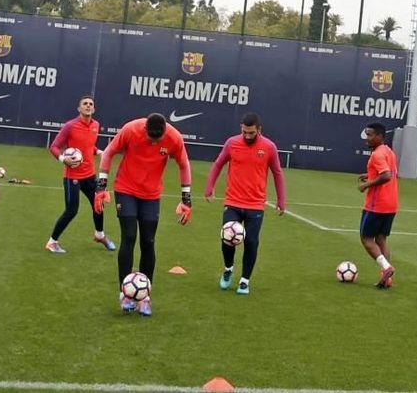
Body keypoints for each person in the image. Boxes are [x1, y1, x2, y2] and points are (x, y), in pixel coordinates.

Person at [94, 112, 191, 317]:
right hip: (126, 190)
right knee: (129, 237)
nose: (153, 142)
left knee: (148, 241)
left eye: (157, 139)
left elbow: (184, 165)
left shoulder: (174, 138)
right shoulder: (131, 129)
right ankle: (125, 293)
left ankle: (145, 297)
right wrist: (101, 187)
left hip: (151, 194)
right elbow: (109, 152)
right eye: (150, 137)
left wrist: (186, 200)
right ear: (145, 128)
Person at [204, 112, 287, 295]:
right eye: (244, 132)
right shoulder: (232, 143)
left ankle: (244, 280)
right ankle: (228, 269)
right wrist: (209, 186)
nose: (247, 136)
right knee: (227, 238)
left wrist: (281, 200)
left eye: (251, 133)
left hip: (255, 205)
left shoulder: (269, 147)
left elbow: (277, 173)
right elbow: (218, 164)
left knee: (251, 242)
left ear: (259, 130)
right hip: (232, 201)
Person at [45, 95, 115, 254]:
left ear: (94, 109)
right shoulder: (70, 126)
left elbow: (89, 145)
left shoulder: (96, 125)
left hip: (90, 175)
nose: (88, 106)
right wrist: (64, 159)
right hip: (73, 177)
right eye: (85, 104)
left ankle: (100, 235)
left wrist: (98, 151)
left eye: (91, 104)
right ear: (79, 108)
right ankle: (52, 242)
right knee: (71, 210)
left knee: (98, 204)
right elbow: (54, 147)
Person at [357, 121, 398, 289]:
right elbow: (390, 173)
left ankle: (387, 267)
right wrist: (370, 175)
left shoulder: (377, 155)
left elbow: (387, 176)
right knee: (381, 239)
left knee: (366, 238)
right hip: (391, 204)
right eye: (367, 134)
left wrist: (366, 185)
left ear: (380, 136)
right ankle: (386, 278)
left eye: (370, 135)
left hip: (377, 205)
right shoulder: (388, 151)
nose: (367, 138)